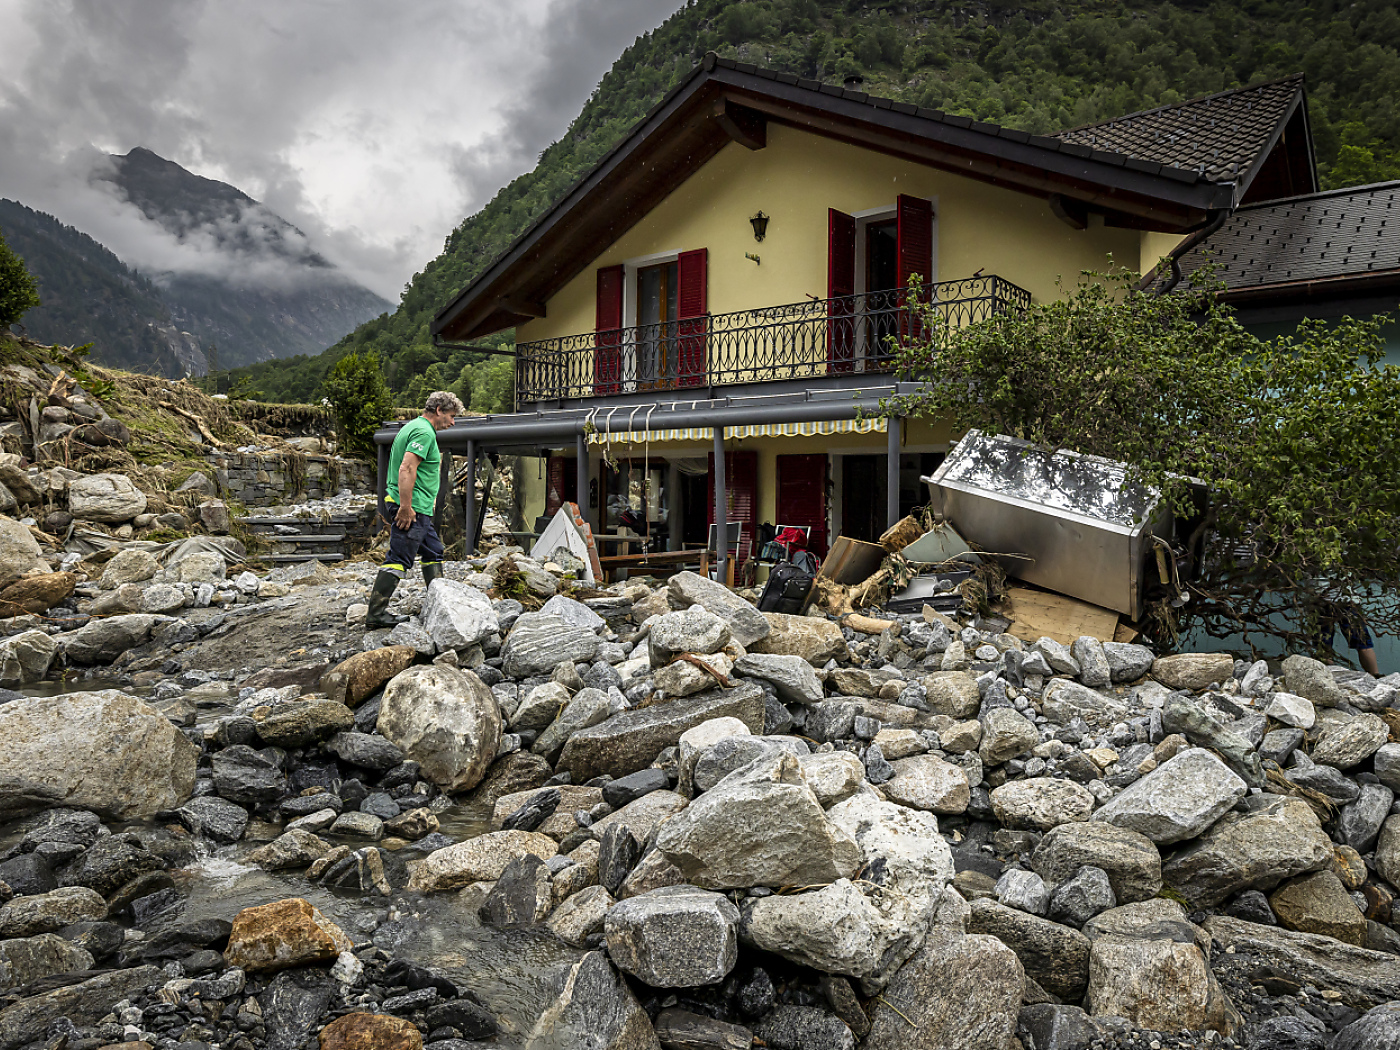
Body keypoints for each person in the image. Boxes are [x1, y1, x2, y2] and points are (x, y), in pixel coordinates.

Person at [366, 390, 464, 629]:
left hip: (415, 507)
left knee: (433, 550)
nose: (453, 422)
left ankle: (439, 605)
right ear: (439, 411)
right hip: (412, 507)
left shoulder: (412, 426)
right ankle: (376, 614)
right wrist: (406, 507)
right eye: (451, 416)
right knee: (399, 558)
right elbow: (407, 469)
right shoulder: (424, 432)